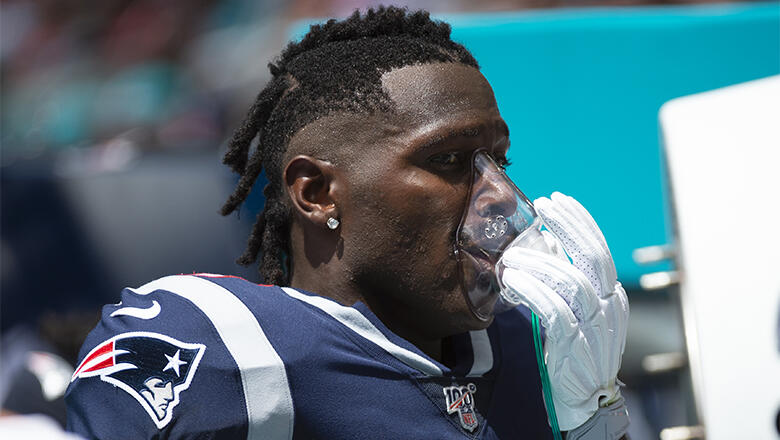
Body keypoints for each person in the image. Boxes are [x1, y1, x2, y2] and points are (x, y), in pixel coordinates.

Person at [66, 7, 629, 439]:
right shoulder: (224, 345)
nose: (501, 197)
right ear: (316, 193)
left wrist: (595, 418)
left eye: (498, 162)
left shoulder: (541, 344)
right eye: (450, 160)